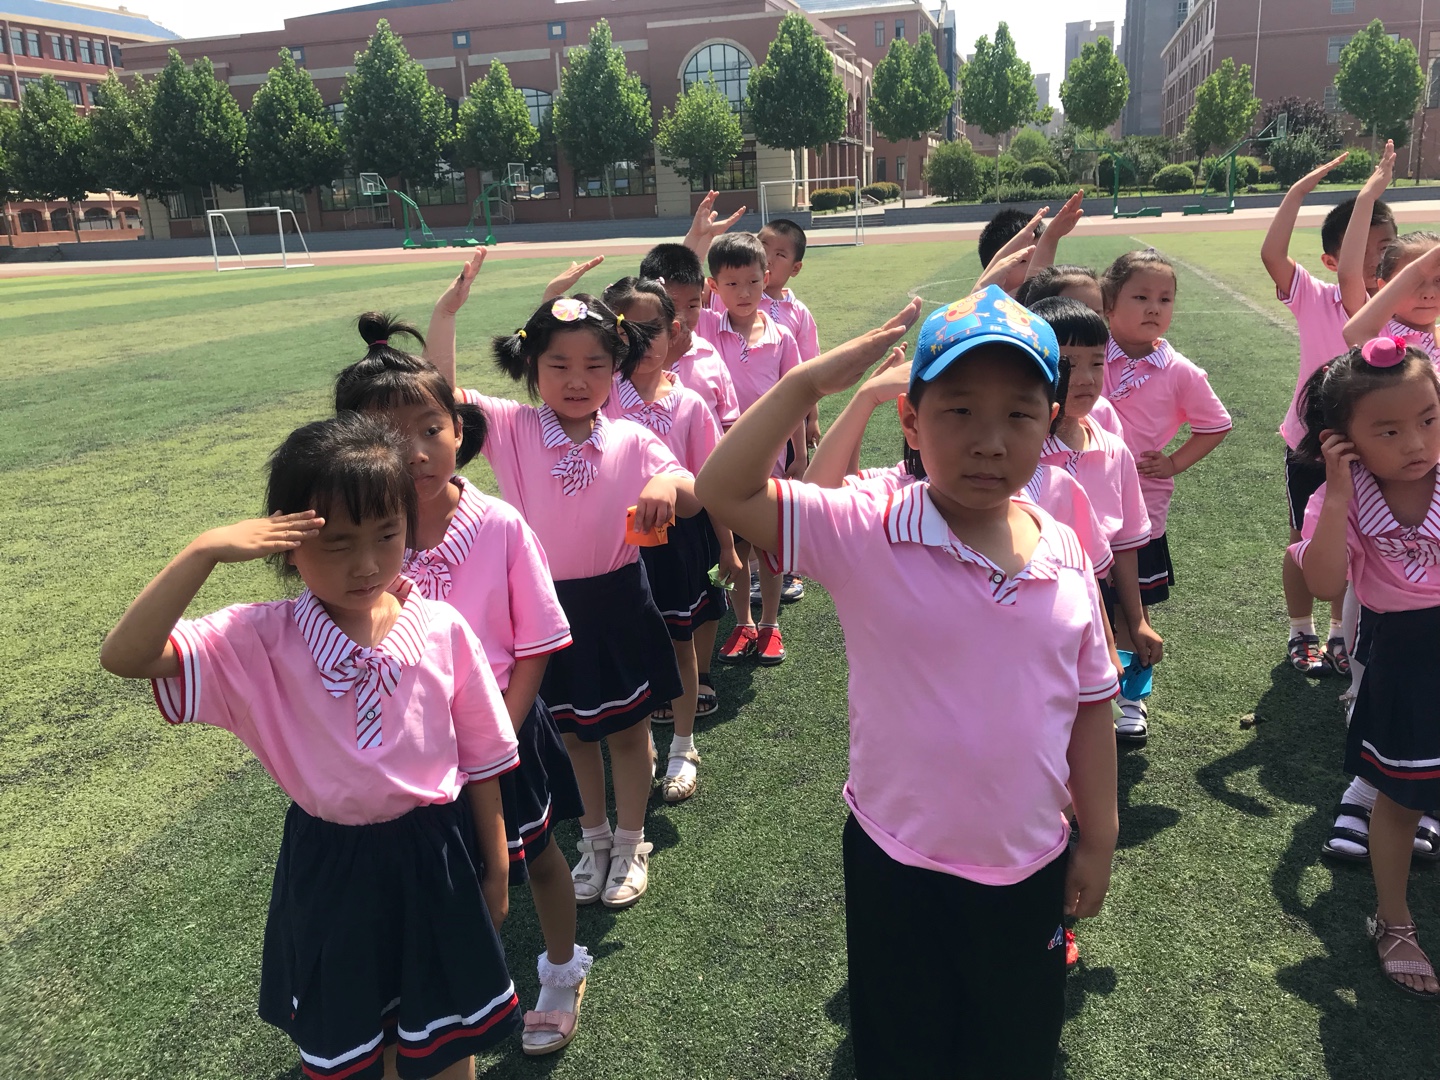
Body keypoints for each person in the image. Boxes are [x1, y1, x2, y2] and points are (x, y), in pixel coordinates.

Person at [697, 287, 1119, 1078]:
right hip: (898, 860)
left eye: (1020, 414)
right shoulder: (868, 528)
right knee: (902, 1049)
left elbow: (1092, 707)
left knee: (1016, 1047)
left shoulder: (1064, 547)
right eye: (959, 411)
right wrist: (806, 384)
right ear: (912, 421)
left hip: (1030, 862)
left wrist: (1099, 838)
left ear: (1051, 422)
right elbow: (723, 489)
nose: (990, 441)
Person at [99, 413, 524, 1080]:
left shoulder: (442, 626)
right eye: (336, 543)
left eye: (386, 535)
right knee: (356, 1044)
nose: (366, 564)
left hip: (437, 854)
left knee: (447, 1043)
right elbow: (126, 656)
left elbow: (483, 761)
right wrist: (203, 551)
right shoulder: (257, 640)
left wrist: (496, 871)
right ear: (286, 543)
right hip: (331, 867)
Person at [333, 317, 592, 1056]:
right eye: (389, 436)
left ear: (458, 429)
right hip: (410, 752)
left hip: (506, 731)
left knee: (536, 855)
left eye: (430, 429)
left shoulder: (498, 524)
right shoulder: (362, 537)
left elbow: (536, 643)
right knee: (449, 880)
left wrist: (497, 733)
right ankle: (445, 998)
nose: (416, 452)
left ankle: (562, 970)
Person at [428, 282, 701, 910]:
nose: (577, 380)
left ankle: (630, 843)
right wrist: (446, 315)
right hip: (543, 612)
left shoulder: (632, 437)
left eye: (594, 366)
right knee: (574, 735)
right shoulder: (511, 426)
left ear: (616, 367)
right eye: (559, 365)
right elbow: (440, 399)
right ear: (532, 365)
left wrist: (667, 483)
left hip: (620, 604)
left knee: (629, 732)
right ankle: (594, 839)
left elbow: (692, 492)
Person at [1290, 335, 1440, 998]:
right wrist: (1338, 494)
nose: (1416, 443)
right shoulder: (1342, 500)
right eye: (1389, 430)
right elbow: (1325, 583)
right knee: (1400, 796)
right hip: (1405, 655)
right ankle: (1394, 918)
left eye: (1429, 419)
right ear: (1342, 442)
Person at [601, 276, 741, 802]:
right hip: (613, 545)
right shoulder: (596, 401)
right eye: (625, 332)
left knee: (681, 642)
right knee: (627, 648)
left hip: (678, 543)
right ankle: (640, 747)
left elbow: (710, 485)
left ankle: (683, 746)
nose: (639, 343)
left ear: (674, 331)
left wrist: (727, 546)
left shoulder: (690, 405)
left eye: (651, 330)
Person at [1263, 149, 1396, 678]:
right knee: (1306, 540)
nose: (1379, 257)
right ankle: (1302, 630)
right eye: (1370, 246)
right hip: (1311, 443)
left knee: (1360, 540)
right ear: (1332, 261)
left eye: (1387, 247)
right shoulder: (1316, 296)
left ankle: (1343, 631)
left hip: (1371, 446)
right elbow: (1273, 254)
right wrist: (1299, 191)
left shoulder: (1394, 311)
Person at [1100, 249, 1232, 744]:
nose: (1154, 308)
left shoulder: (1179, 371)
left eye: (1165, 299)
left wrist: (1173, 462)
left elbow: (1216, 424)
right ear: (1108, 305)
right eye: (1140, 297)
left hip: (1139, 515)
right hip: (1081, 508)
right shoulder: (1092, 354)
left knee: (1131, 611)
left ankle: (1132, 700)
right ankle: (1083, 693)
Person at [1031, 297, 1159, 721]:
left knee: (1092, 705)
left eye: (1097, 363)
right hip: (1035, 598)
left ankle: (1124, 706)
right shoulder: (1022, 454)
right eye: (1068, 364)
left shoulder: (1114, 450)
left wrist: (1136, 621)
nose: (1085, 378)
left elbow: (1124, 545)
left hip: (1098, 594)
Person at [703, 231, 806, 664]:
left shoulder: (782, 337)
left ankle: (770, 624)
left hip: (771, 459)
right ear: (714, 287)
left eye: (752, 282)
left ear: (767, 278)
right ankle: (743, 622)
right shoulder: (707, 327)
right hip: (723, 459)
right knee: (736, 546)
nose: (743, 293)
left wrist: (799, 453)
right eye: (731, 284)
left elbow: (796, 397)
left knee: (769, 544)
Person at [757, 217, 822, 603]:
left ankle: (787, 568)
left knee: (783, 493)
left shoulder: (798, 314)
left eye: (779, 254)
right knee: (748, 490)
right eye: (762, 247)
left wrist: (812, 418)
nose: (767, 258)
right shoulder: (738, 298)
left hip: (786, 423)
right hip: (741, 420)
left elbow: (809, 374)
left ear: (795, 268)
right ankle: (750, 569)